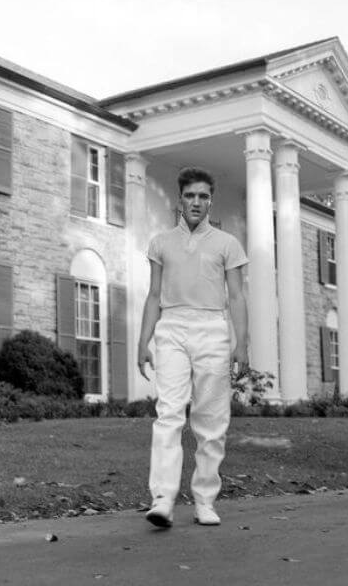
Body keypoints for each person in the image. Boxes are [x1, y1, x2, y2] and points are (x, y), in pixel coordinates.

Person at [137, 166, 249, 528]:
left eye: (203, 196)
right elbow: (154, 295)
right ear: (180, 199)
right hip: (171, 328)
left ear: (210, 200)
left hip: (212, 330)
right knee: (168, 413)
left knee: (211, 419)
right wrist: (143, 341)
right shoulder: (161, 242)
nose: (196, 202)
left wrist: (240, 345)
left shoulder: (227, 244)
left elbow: (237, 297)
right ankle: (163, 499)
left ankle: (204, 500)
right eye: (190, 195)